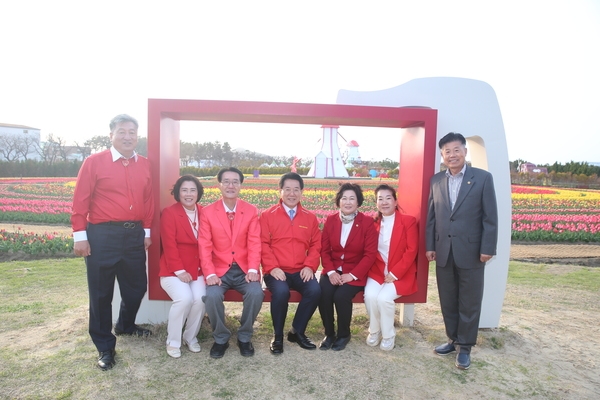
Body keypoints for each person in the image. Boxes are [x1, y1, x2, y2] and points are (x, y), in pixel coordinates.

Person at [71, 114, 154, 371]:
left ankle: (125, 324)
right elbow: (80, 201)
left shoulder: (145, 164)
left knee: (137, 286)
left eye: (132, 132)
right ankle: (105, 346)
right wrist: (80, 236)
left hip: (134, 234)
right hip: (101, 235)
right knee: (100, 293)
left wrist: (147, 232)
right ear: (111, 135)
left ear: (137, 136)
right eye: (122, 132)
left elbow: (148, 200)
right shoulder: (94, 162)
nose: (127, 136)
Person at [426, 132, 498, 370]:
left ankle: (465, 347)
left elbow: (490, 218)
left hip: (472, 251)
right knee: (448, 299)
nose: (452, 155)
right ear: (442, 155)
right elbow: (431, 217)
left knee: (469, 300)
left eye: (456, 150)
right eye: (447, 151)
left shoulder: (482, 178)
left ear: (465, 151)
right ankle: (452, 339)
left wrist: (488, 248)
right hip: (444, 251)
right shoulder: (436, 180)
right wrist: (430, 246)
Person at [198, 167, 264, 358]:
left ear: (241, 185)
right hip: (219, 270)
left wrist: (253, 268)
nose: (230, 185)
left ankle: (244, 336)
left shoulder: (250, 210)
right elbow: (204, 245)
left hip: (244, 269)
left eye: (235, 181)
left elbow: (254, 242)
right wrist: (210, 273)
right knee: (211, 296)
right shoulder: (208, 212)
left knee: (256, 293)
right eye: (226, 181)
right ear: (219, 184)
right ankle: (220, 337)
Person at [260, 172, 322, 355]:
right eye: (287, 189)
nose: (292, 193)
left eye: (296, 189)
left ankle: (297, 331)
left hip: (301, 270)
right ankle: (277, 336)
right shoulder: (267, 215)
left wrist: (310, 266)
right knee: (281, 291)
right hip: (276, 271)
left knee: (315, 291)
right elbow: (262, 243)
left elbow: (316, 244)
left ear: (302, 192)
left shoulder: (309, 217)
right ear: (280, 191)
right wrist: (272, 268)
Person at [318, 183, 378, 351]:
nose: (348, 202)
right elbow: (324, 249)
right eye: (344, 198)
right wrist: (330, 272)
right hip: (333, 269)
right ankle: (329, 334)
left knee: (341, 296)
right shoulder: (331, 220)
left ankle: (344, 334)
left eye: (352, 198)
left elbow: (370, 254)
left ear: (358, 202)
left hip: (355, 271)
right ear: (339, 201)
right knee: (324, 292)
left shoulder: (366, 222)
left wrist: (352, 275)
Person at [364, 184, 418, 351]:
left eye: (388, 198)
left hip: (401, 273)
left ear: (395, 201)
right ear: (376, 203)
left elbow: (411, 250)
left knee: (384, 299)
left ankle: (388, 335)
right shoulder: (372, 224)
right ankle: (375, 331)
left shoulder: (408, 221)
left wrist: (395, 273)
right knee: (370, 296)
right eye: (380, 199)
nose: (384, 202)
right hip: (377, 272)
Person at [159, 175, 206, 358]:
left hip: (198, 268)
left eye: (193, 190)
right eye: (184, 190)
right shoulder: (170, 213)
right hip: (173, 269)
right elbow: (169, 244)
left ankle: (190, 336)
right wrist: (179, 271)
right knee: (184, 299)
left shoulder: (204, 212)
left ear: (198, 193)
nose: (189, 194)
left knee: (201, 298)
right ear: (178, 193)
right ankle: (173, 341)